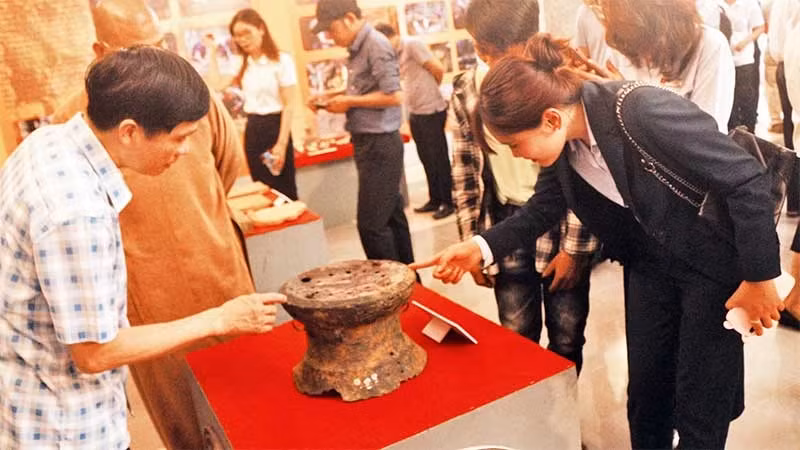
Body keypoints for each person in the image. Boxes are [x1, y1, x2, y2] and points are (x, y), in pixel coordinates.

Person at [412, 34, 784, 449]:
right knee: (646, 396)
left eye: (516, 144)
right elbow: (542, 208)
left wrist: (759, 277)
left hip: (709, 266)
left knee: (701, 403)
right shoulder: (565, 147)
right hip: (648, 265)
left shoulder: (638, 108)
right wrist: (480, 247)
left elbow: (745, 178)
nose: (517, 155)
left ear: (551, 119)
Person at [0, 46, 286, 449]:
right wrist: (219, 319)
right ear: (130, 131)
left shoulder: (53, 139)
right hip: (64, 425)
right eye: (179, 138)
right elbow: (95, 352)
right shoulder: (76, 210)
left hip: (51, 395)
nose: (185, 151)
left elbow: (224, 166)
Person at [51, 1, 257, 448]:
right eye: (136, 52)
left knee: (249, 397)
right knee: (181, 413)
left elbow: (227, 165)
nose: (156, 63)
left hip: (218, 267)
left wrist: (201, 214)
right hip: (148, 296)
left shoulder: (191, 96)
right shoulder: (76, 119)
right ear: (101, 52)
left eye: (160, 45)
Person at [450, 0, 597, 372]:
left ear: (530, 42)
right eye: (479, 47)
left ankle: (560, 421)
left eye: (494, 50)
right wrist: (476, 241)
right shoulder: (469, 90)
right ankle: (530, 421)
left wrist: (577, 249)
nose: (485, 57)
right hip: (504, 217)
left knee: (567, 332)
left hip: (562, 223)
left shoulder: (559, 84)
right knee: (515, 329)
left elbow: (588, 169)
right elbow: (464, 169)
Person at [309, 0, 414, 264]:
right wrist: (332, 96)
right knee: (391, 216)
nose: (330, 36)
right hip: (372, 142)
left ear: (347, 18)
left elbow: (394, 95)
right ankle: (410, 284)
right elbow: (365, 90)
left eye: (331, 29)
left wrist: (348, 103)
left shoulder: (375, 44)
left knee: (371, 226)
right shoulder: (359, 47)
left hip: (380, 143)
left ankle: (390, 288)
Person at [602, 0, 735, 132]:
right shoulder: (623, 47)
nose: (644, 55)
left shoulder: (709, 45)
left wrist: (630, 101)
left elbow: (705, 135)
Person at [375, 23, 454, 220]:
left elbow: (437, 68)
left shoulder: (412, 45)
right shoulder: (394, 54)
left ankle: (448, 201)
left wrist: (431, 91)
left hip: (431, 110)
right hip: (416, 112)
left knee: (438, 158)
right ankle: (435, 198)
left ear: (390, 36)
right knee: (425, 158)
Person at [230, 8, 299, 200]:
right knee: (261, 189)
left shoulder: (281, 60)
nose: (242, 40)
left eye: (246, 33)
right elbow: (215, 82)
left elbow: (289, 105)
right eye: (237, 36)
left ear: (261, 29)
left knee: (284, 190)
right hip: (253, 129)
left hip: (276, 127)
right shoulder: (242, 64)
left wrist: (281, 144)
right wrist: (211, 50)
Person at [725, 0, 765, 132]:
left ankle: (750, 134)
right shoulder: (715, 5)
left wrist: (745, 42)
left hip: (744, 59)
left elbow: (760, 27)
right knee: (729, 100)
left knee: (746, 98)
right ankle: (733, 135)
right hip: (725, 59)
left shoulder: (749, 4)